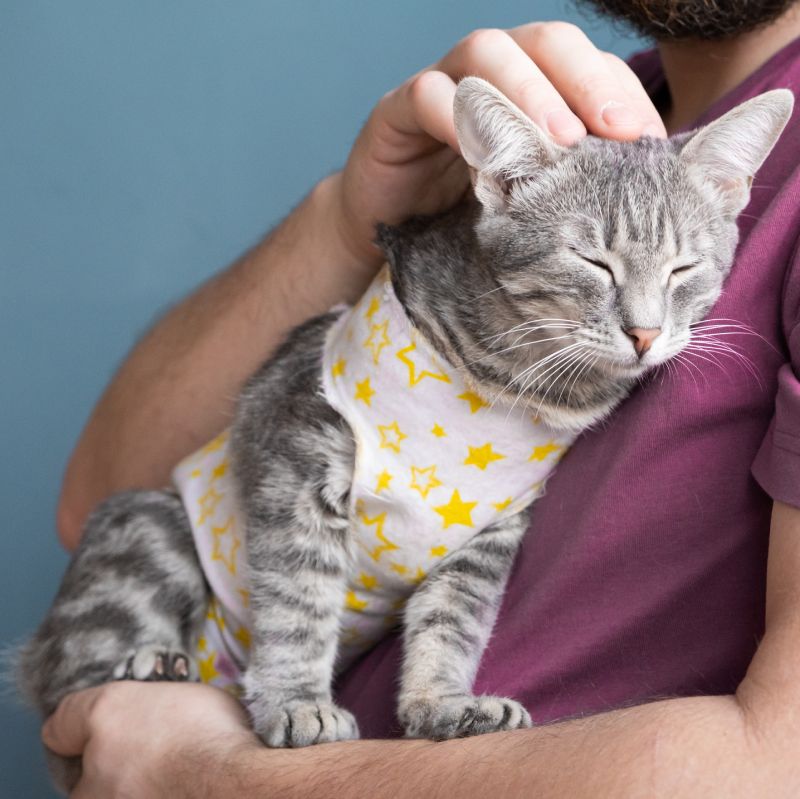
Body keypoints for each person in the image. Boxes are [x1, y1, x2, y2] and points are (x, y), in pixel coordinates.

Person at [44, 2, 800, 796]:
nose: (647, 328)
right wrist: (345, 222)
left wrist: (198, 772)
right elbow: (93, 499)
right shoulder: (581, 117)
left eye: (679, 277)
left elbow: (778, 768)